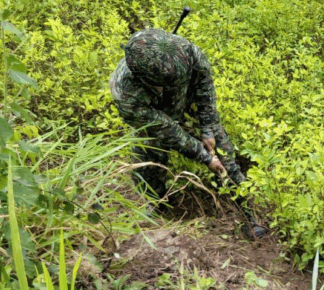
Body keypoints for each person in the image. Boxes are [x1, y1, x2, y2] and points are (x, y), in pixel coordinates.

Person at [110, 28, 267, 237]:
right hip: (154, 116)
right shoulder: (126, 95)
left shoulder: (185, 51)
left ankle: (249, 210)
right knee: (148, 161)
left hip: (186, 101)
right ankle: (157, 209)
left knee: (223, 153)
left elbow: (204, 84)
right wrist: (204, 157)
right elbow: (169, 131)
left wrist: (208, 128)